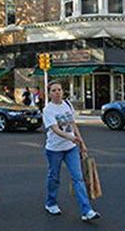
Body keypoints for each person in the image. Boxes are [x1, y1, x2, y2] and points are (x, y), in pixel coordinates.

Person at [43, 80, 101, 222]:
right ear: (49, 93)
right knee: (54, 177)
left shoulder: (67, 105)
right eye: (54, 90)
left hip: (71, 148)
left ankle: (87, 211)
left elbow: (73, 124)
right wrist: (70, 136)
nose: (57, 93)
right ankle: (51, 202)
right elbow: (55, 129)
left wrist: (81, 142)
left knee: (78, 178)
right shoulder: (48, 110)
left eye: (59, 90)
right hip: (54, 149)